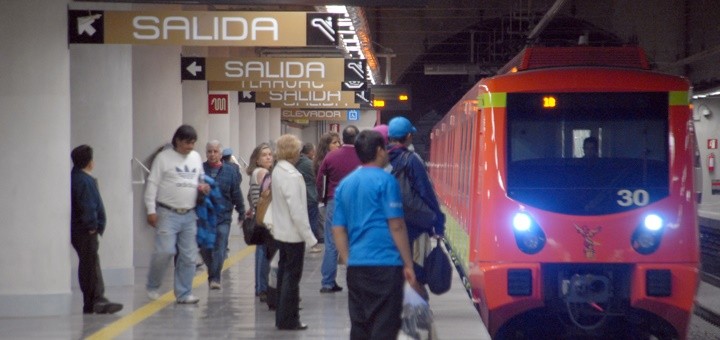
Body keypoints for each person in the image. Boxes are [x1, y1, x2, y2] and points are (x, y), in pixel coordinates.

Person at [332, 130, 420, 339]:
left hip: (357, 267)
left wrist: (348, 259)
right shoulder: (387, 182)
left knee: (360, 324)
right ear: (380, 151)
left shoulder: (346, 184)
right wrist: (408, 263)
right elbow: (396, 225)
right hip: (386, 265)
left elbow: (338, 229)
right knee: (384, 325)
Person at [144, 125, 209, 304]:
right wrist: (151, 210)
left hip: (189, 214)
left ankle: (184, 293)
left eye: (193, 143)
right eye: (187, 143)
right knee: (165, 251)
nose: (190, 147)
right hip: (167, 213)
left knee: (189, 256)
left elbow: (200, 179)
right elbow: (152, 184)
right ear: (178, 141)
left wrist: (202, 187)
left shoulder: (195, 157)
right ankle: (153, 284)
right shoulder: (164, 158)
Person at [387, 116, 445, 292]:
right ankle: (415, 310)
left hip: (387, 223)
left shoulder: (380, 159)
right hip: (413, 224)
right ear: (409, 137)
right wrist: (438, 221)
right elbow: (426, 192)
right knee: (414, 267)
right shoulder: (412, 159)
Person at [271, 134, 318, 330]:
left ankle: (282, 317)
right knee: (292, 277)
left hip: (282, 231)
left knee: (284, 274)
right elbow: (297, 210)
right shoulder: (291, 175)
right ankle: (290, 319)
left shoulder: (277, 171)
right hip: (293, 234)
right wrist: (310, 237)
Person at [70, 145, 123, 315]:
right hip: (86, 231)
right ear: (90, 162)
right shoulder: (84, 181)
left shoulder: (77, 178)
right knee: (90, 264)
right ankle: (96, 300)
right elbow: (88, 205)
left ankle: (93, 301)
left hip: (82, 230)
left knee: (90, 263)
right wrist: (92, 226)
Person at [316, 126, 361, 293]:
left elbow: (320, 180)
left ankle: (327, 282)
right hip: (357, 203)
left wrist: (323, 199)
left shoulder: (331, 156)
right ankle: (355, 283)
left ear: (343, 138)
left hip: (335, 202)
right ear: (357, 139)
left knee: (331, 243)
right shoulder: (364, 156)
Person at [200, 140, 245, 290]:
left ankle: (215, 278)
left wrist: (241, 211)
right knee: (205, 248)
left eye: (215, 151)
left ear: (220, 153)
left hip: (223, 216)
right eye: (209, 151)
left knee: (220, 246)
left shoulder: (230, 171)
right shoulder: (200, 170)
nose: (212, 154)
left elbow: (236, 193)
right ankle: (212, 271)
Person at [246, 143, 274, 302]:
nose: (269, 157)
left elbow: (250, 196)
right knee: (265, 253)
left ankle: (259, 286)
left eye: (270, 154)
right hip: (265, 217)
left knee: (261, 252)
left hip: (258, 216)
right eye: (264, 155)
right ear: (257, 160)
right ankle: (263, 287)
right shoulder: (263, 173)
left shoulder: (254, 173)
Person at [313, 132, 341, 245]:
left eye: (339, 142)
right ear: (326, 146)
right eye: (335, 142)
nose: (338, 145)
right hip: (326, 201)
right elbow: (321, 184)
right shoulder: (322, 162)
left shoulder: (336, 159)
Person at [296, 142, 323, 253]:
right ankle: (312, 243)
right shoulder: (308, 163)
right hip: (310, 196)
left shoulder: (296, 163)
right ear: (311, 151)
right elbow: (317, 178)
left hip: (301, 197)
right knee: (312, 221)